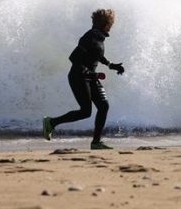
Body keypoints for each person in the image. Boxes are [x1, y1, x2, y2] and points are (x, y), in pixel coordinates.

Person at [43, 8, 125, 149]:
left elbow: (97, 53)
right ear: (105, 24)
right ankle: (51, 122)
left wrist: (111, 65)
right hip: (78, 76)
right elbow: (73, 57)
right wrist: (86, 72)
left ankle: (96, 142)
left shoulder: (99, 37)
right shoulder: (90, 36)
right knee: (85, 112)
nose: (111, 26)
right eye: (110, 23)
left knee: (103, 106)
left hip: (90, 76)